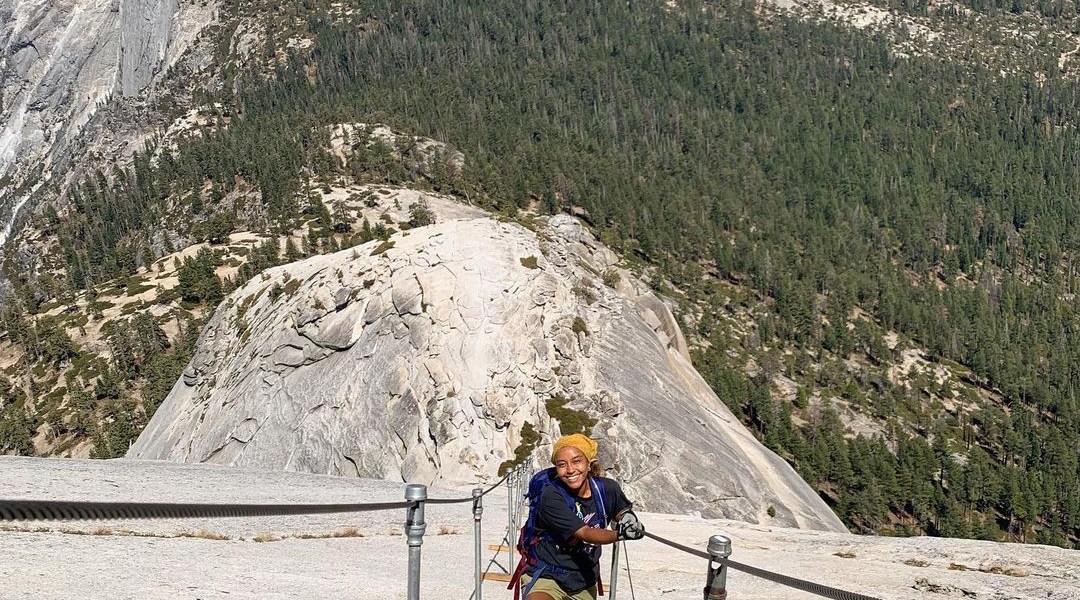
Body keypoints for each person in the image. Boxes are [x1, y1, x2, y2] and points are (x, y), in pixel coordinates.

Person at [522, 433, 645, 600]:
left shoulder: (607, 489)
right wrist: (620, 534)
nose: (570, 470)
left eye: (577, 461)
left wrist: (627, 517)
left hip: (583, 580)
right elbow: (585, 533)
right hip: (547, 575)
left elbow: (620, 509)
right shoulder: (551, 496)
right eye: (562, 464)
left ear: (589, 463)